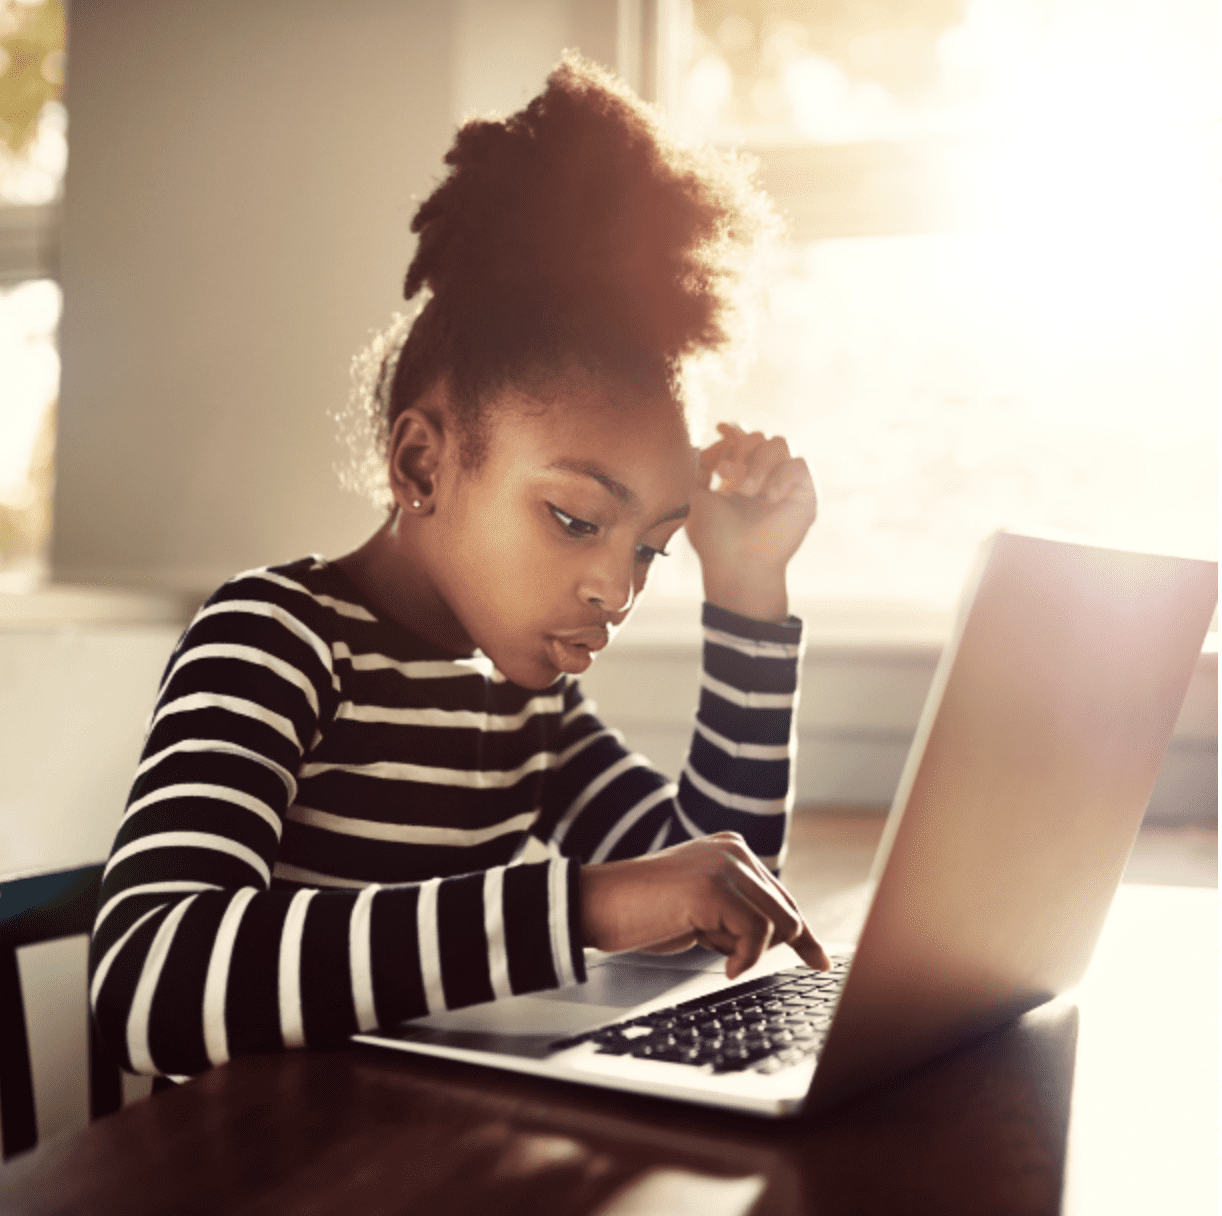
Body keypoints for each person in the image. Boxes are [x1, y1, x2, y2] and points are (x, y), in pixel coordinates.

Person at [88, 54, 827, 1080]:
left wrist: (745, 594)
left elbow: (724, 888)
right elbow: (150, 988)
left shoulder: (523, 703)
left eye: (651, 546)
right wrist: (583, 906)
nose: (617, 589)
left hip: (411, 1152)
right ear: (421, 463)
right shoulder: (272, 639)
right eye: (575, 517)